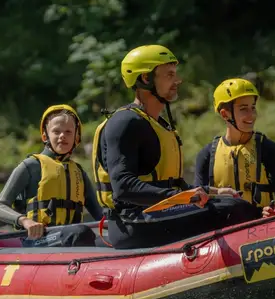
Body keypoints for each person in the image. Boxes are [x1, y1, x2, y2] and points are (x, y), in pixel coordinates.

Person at [91, 45, 260, 249]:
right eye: (169, 75)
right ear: (146, 79)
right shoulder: (125, 122)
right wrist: (179, 198)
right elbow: (123, 187)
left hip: (155, 214)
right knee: (234, 209)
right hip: (132, 223)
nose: (177, 80)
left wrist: (213, 191)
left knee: (232, 202)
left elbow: (169, 185)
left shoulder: (158, 124)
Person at [0, 104, 102, 247]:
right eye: (56, 131)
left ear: (76, 137)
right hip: (38, 239)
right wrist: (25, 221)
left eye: (68, 132)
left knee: (97, 238)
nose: (62, 136)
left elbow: (101, 215)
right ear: (45, 135)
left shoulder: (79, 172)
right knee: (80, 232)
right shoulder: (31, 166)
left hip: (71, 237)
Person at [194, 77, 275, 214]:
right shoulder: (206, 155)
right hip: (224, 228)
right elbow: (196, 201)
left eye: (253, 108)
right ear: (225, 114)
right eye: (244, 109)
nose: (251, 115)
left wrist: (273, 211)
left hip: (262, 227)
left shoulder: (269, 149)